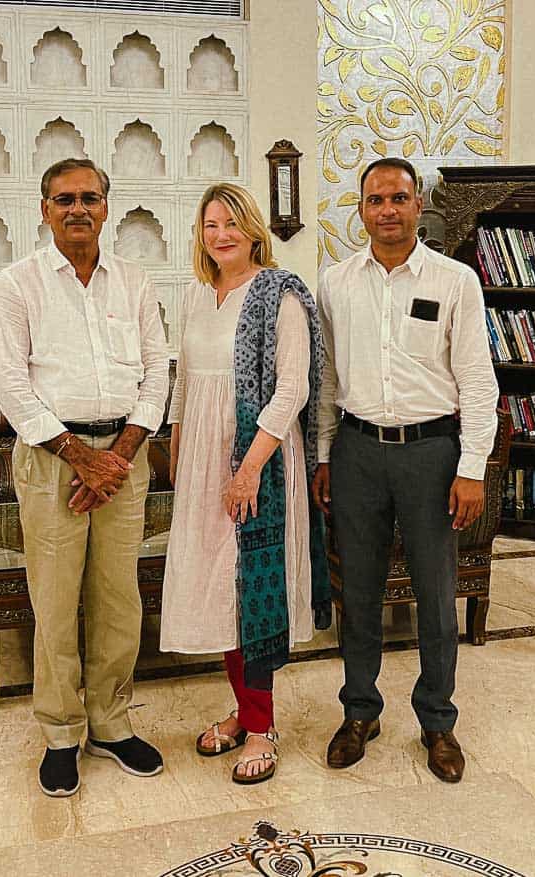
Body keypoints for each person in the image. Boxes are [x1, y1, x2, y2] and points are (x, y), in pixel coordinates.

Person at [312, 157, 498, 783]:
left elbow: (476, 381)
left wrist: (471, 468)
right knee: (358, 593)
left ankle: (437, 720)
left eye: (399, 197)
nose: (387, 210)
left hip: (431, 454)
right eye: (374, 200)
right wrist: (325, 455)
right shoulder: (334, 283)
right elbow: (328, 379)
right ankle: (359, 710)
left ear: (419, 205)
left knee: (436, 596)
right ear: (359, 210)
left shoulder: (455, 281)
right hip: (358, 451)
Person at [0, 158, 169, 798]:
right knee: (57, 602)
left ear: (106, 206)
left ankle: (112, 724)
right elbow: (11, 385)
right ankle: (62, 733)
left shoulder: (135, 282)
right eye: (64, 199)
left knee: (120, 600)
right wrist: (78, 455)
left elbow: (157, 374)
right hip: (50, 460)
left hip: (123, 456)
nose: (78, 209)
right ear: (44, 210)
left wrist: (115, 456)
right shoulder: (19, 284)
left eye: (90, 197)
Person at [160, 183, 330, 785]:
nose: (221, 234)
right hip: (204, 465)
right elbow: (185, 383)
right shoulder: (195, 295)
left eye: (231, 223)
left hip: (256, 461)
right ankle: (245, 709)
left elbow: (293, 390)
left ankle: (262, 728)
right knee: (222, 593)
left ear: (253, 228)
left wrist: (249, 468)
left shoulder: (280, 295)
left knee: (253, 590)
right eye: (210, 226)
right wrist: (179, 454)